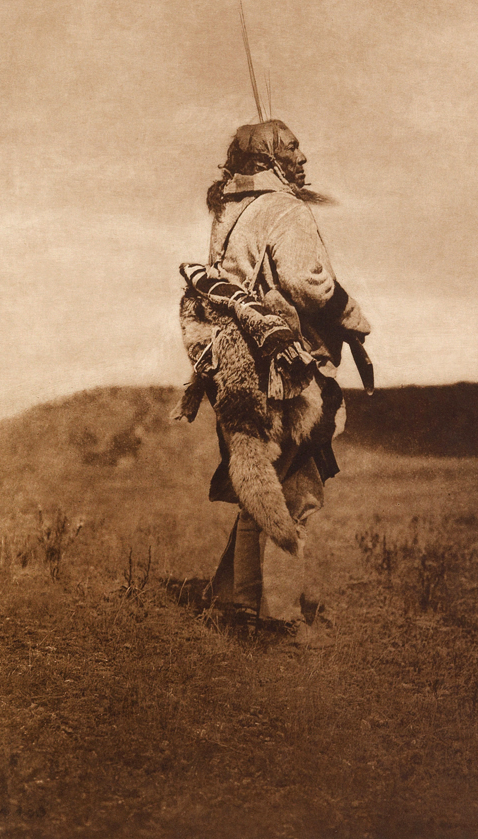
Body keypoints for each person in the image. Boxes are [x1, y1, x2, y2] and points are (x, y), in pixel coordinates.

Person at [184, 119, 371, 643]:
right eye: (291, 148)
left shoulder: (232, 212)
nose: (303, 157)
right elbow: (307, 285)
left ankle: (238, 604)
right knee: (295, 493)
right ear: (267, 160)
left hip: (236, 369)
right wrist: (353, 314)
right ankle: (279, 620)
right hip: (287, 372)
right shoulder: (284, 208)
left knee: (261, 484)